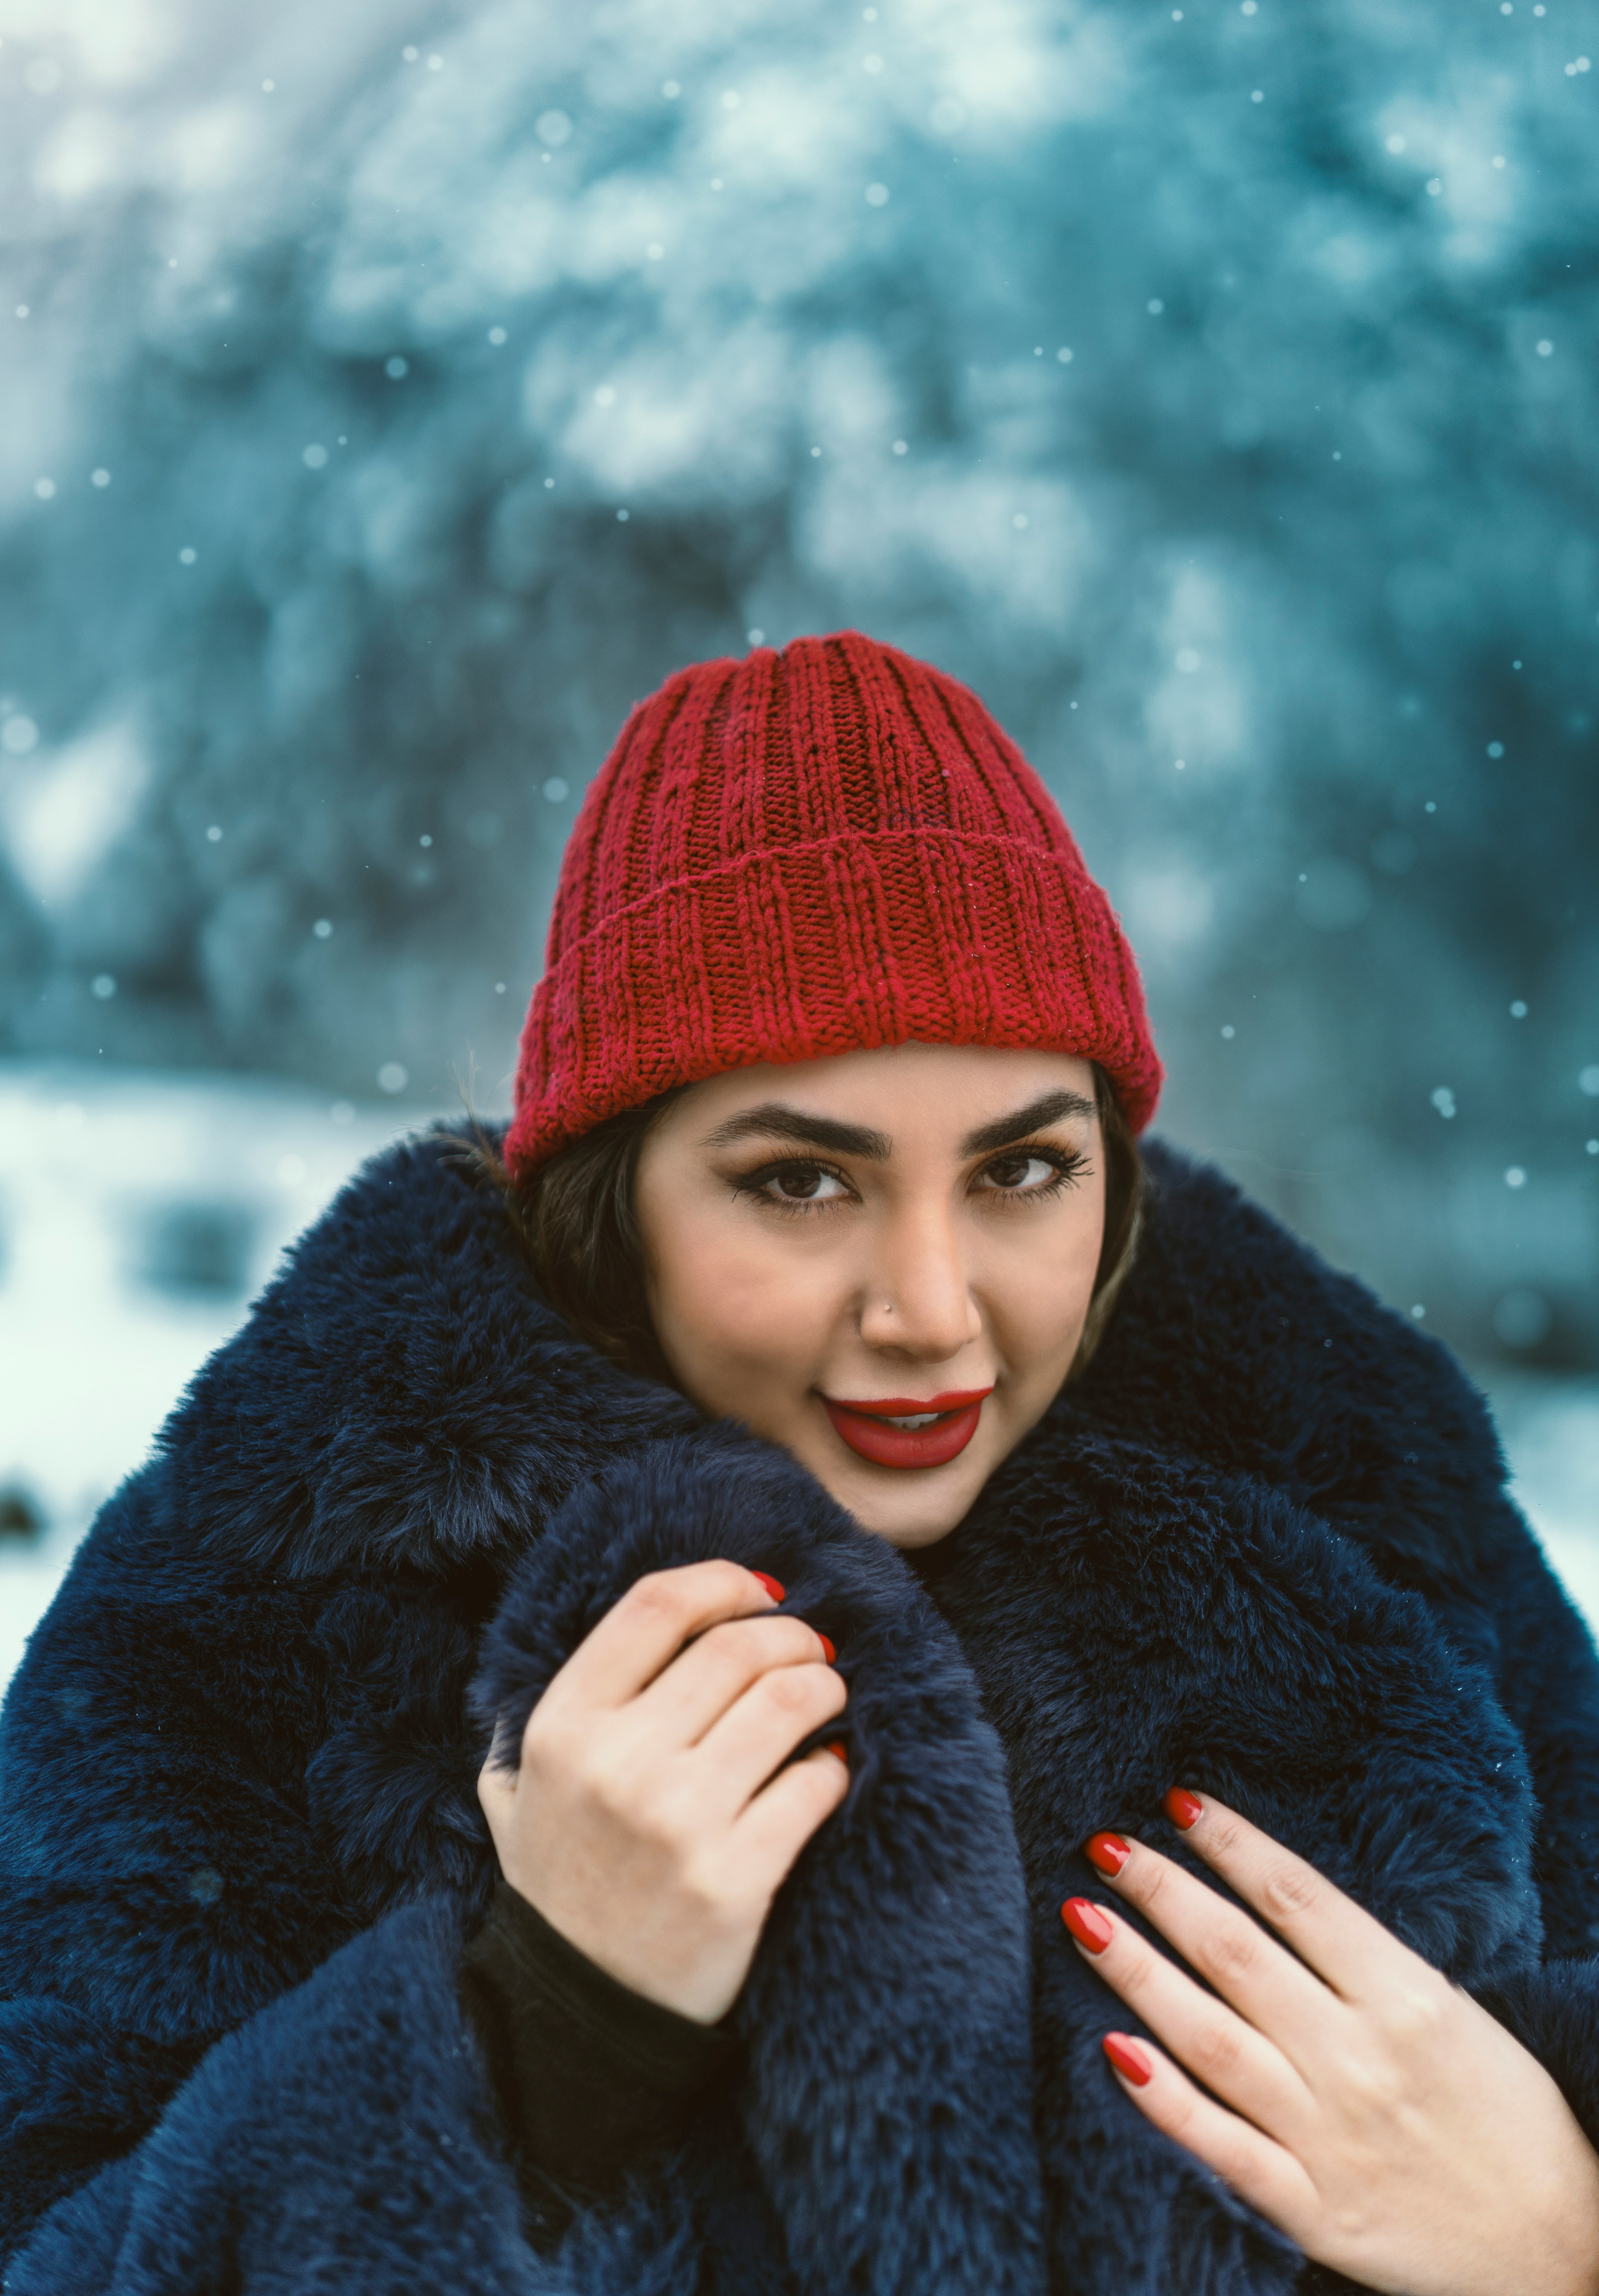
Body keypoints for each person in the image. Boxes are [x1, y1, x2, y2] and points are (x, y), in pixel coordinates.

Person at [2, 631, 1598, 2296]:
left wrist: (1562, 2231)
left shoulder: (1374, 1519)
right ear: (610, 1205)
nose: (930, 1308)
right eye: (799, 1183)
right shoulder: (253, 1608)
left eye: (1023, 1171)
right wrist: (539, 2032)